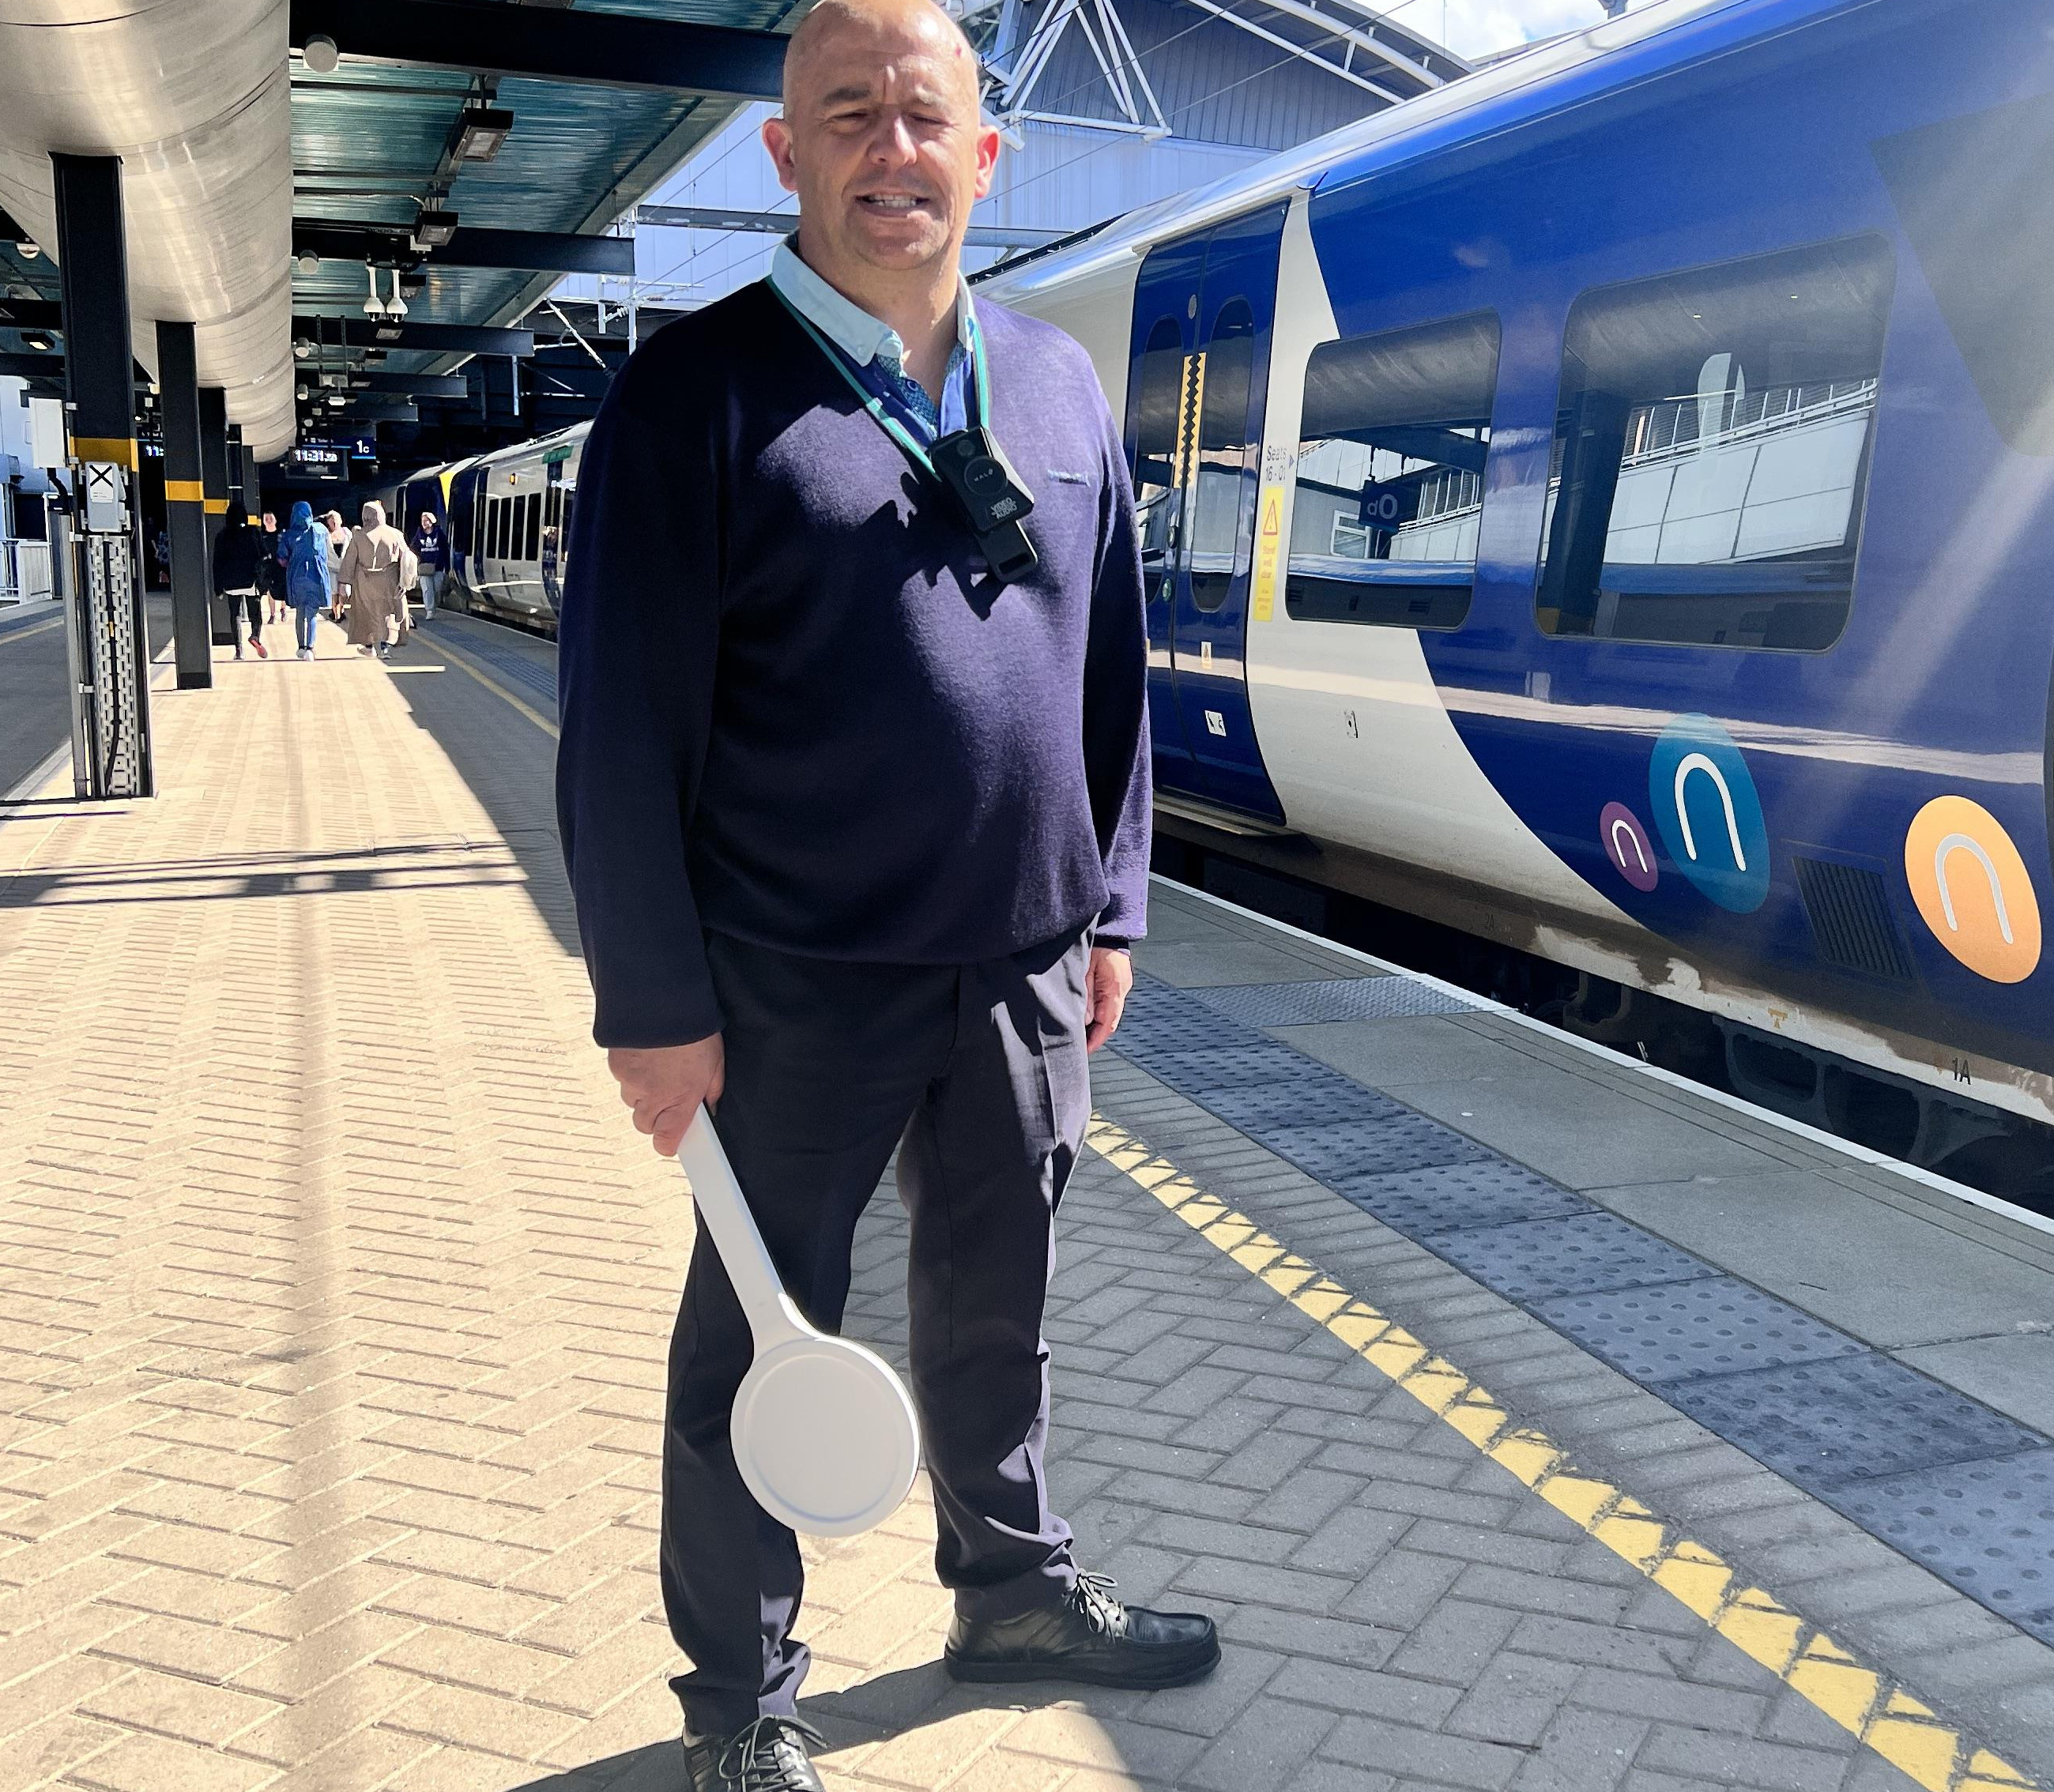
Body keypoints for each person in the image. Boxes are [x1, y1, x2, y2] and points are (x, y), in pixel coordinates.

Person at [553, 3, 1185, 1786]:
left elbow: (1113, 680)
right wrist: (652, 1006)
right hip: (782, 986)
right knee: (756, 1341)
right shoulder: (694, 401)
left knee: (1003, 1304)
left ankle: (1013, 1593)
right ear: (785, 154)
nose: (890, 154)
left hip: (1023, 971)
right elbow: (616, 739)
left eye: (925, 120)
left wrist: (1114, 907)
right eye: (848, 118)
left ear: (986, 157)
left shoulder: (1056, 387)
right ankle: (742, 1704)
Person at [340, 500, 416, 661]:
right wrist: (405, 581)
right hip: (389, 581)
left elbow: (349, 561)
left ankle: (369, 646)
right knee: (386, 613)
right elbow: (407, 558)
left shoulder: (359, 536)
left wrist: (344, 583)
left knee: (367, 614)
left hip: (364, 583)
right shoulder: (395, 534)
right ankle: (384, 647)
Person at [209, 507, 269, 659]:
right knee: (255, 613)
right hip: (251, 580)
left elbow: (217, 563)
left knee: (235, 614)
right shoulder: (253, 532)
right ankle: (255, 635)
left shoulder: (222, 536)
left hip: (231, 583)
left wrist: (218, 588)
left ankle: (238, 650)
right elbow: (264, 554)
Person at [281, 499, 334, 659]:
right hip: (317, 577)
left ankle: (301, 647)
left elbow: (282, 558)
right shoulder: (321, 530)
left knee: (300, 613)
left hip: (297, 578)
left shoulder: (288, 535)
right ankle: (310, 649)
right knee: (312, 614)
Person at [409, 506, 443, 623]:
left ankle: (434, 606)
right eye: (422, 521)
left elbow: (445, 549)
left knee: (437, 589)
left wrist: (447, 566)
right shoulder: (419, 534)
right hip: (424, 567)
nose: (424, 523)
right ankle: (430, 610)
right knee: (427, 589)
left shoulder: (439, 533)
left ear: (432, 521)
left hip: (438, 566)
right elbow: (413, 547)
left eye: (426, 520)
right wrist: (418, 557)